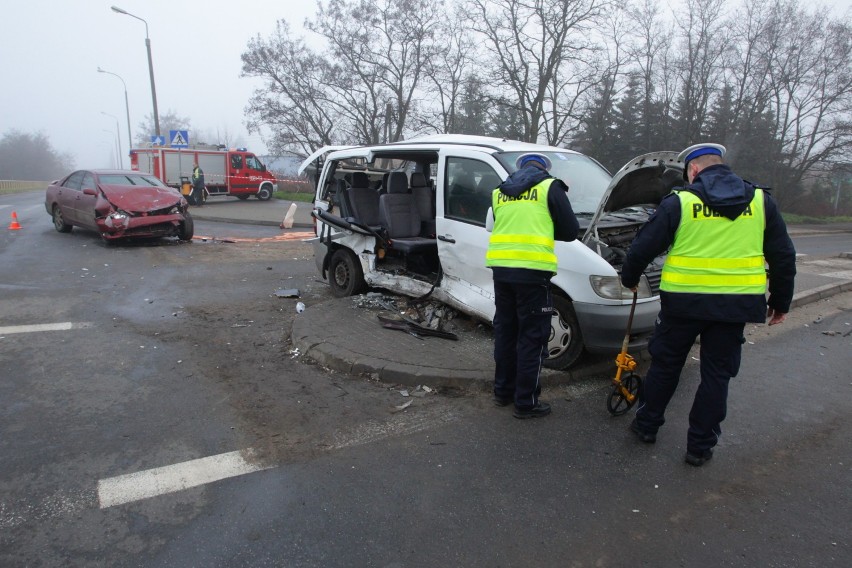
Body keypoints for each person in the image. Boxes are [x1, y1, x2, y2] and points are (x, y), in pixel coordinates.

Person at [621, 143, 796, 465]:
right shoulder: (760, 202)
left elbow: (642, 246)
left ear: (694, 170)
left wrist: (628, 278)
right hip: (735, 309)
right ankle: (700, 448)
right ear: (720, 165)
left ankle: (646, 426)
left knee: (665, 367)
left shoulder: (681, 202)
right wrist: (780, 302)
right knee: (716, 375)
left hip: (683, 305)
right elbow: (783, 256)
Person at [486, 153, 579, 419]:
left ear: (520, 169)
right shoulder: (550, 187)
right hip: (532, 273)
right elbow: (571, 230)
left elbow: (496, 225)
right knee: (532, 337)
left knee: (506, 332)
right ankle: (525, 402)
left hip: (501, 271)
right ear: (544, 169)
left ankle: (502, 393)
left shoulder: (499, 191)